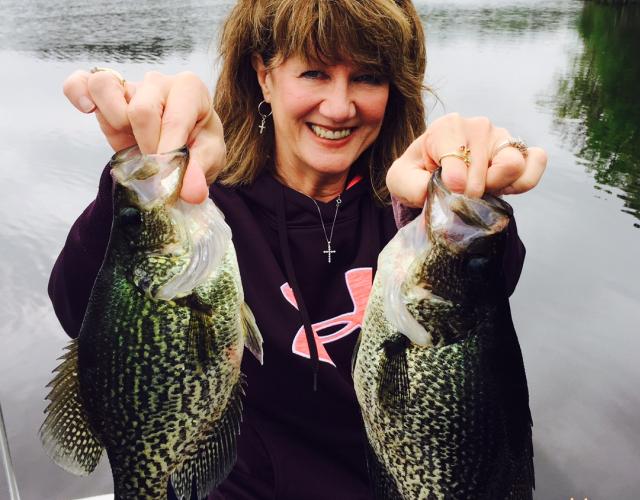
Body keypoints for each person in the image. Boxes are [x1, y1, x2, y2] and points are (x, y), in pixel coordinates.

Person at [49, 0, 547, 498]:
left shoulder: (416, 219)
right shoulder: (202, 207)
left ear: (395, 88)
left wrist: (472, 198)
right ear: (263, 74)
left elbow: (487, 293)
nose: (339, 106)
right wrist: (134, 169)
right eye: (314, 72)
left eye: (368, 77)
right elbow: (79, 312)